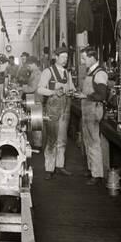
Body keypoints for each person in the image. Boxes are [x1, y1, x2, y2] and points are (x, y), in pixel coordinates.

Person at [37, 46, 76, 179]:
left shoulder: (67, 73)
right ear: (56, 57)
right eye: (63, 57)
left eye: (66, 57)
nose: (65, 60)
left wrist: (72, 92)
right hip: (52, 109)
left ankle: (60, 166)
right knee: (51, 140)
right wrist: (53, 92)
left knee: (62, 140)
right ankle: (49, 168)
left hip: (65, 109)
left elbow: (72, 89)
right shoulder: (48, 72)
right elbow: (40, 89)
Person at [73, 47, 109, 185]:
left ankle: (97, 174)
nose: (82, 61)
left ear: (92, 57)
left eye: (84, 58)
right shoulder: (91, 72)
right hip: (87, 110)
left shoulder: (99, 73)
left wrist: (85, 95)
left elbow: (102, 95)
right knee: (87, 141)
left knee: (94, 142)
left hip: (94, 111)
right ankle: (91, 168)